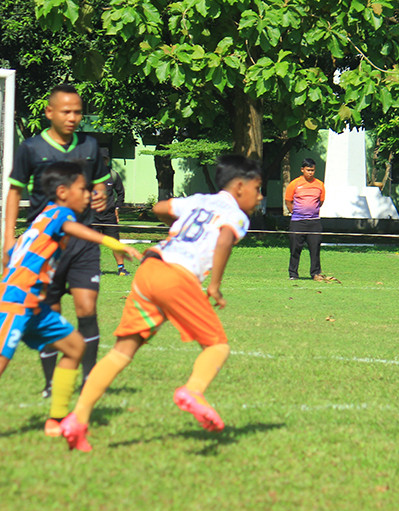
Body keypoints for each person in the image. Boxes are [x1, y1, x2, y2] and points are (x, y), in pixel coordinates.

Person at [0, 162, 141, 447]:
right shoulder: (60, 214)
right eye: (83, 189)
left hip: (35, 302)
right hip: (16, 301)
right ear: (62, 192)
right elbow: (72, 228)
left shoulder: (46, 216)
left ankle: (57, 420)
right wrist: (115, 243)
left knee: (74, 347)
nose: (90, 194)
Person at [59, 155, 263, 452]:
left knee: (121, 352)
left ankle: (77, 419)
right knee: (217, 346)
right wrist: (215, 286)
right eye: (258, 190)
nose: (259, 198)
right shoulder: (237, 215)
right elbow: (222, 240)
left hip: (149, 269)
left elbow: (160, 208)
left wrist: (178, 230)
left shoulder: (200, 200)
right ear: (241, 186)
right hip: (176, 276)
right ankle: (193, 391)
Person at [4, 84, 109, 399]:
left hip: (84, 240)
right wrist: (9, 237)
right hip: (47, 245)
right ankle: (52, 383)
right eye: (66, 111)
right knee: (49, 311)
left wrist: (101, 196)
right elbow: (15, 191)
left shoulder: (90, 146)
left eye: (78, 112)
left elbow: (100, 185)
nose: (73, 117)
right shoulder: (32, 148)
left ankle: (90, 378)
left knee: (86, 308)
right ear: (49, 112)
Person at [285, 157, 331, 281]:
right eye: (308, 170)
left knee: (315, 249)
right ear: (302, 170)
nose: (310, 172)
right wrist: (294, 212)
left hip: (314, 222)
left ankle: (315, 273)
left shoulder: (319, 185)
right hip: (297, 222)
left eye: (312, 170)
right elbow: (288, 201)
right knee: (295, 249)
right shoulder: (294, 184)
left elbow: (320, 201)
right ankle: (293, 274)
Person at [93, 148, 128, 276]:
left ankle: (121, 268)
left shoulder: (113, 175)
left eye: (105, 160)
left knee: (115, 243)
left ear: (108, 160)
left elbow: (120, 193)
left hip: (109, 217)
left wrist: (117, 208)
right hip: (93, 217)